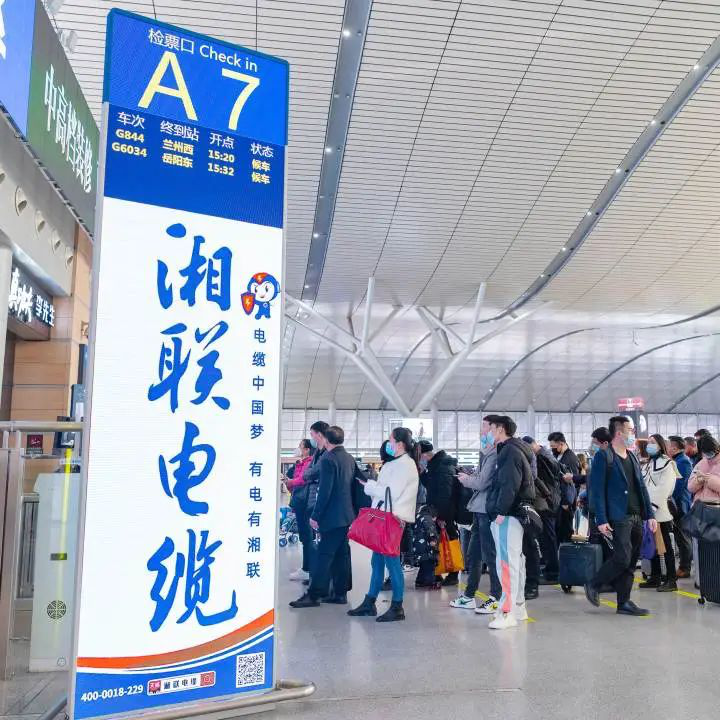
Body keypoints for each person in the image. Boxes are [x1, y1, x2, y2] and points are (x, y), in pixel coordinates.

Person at [585, 416, 657, 616]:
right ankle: (594, 583)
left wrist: (649, 514)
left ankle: (624, 602)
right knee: (622, 558)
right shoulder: (604, 456)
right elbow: (597, 491)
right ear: (619, 433)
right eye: (631, 430)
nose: (633, 434)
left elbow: (641, 487)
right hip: (619, 516)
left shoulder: (632, 456)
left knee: (631, 561)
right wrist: (601, 519)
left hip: (636, 516)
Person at [348, 427, 420, 622]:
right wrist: (373, 487)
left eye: (391, 440)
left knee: (392, 562)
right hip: (386, 518)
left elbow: (391, 492)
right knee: (377, 561)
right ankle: (369, 602)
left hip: (393, 519)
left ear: (400, 444)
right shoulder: (396, 463)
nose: (388, 443)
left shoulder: (405, 464)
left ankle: (397, 606)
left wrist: (370, 486)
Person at [290, 426, 356, 608]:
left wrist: (316, 515)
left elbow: (325, 490)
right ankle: (340, 593)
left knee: (323, 555)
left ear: (326, 440)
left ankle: (314, 595)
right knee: (342, 554)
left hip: (331, 515)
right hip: (346, 514)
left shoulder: (328, 459)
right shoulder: (349, 458)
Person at [486, 415, 535, 630]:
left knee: (506, 564)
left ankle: (507, 612)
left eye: (490, 429)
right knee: (516, 561)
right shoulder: (518, 450)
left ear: (500, 429)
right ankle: (518, 606)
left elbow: (509, 485)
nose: (487, 433)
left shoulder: (509, 452)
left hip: (508, 515)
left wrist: (500, 511)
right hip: (515, 514)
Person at [452, 416, 502, 614]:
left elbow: (482, 483)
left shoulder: (494, 455)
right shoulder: (486, 453)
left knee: (490, 554)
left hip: (486, 510)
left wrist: (467, 479)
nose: (481, 432)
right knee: (473, 555)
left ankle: (496, 596)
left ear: (495, 430)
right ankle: (469, 595)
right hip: (478, 510)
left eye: (484, 428)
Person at [289, 421, 329, 583]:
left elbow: (306, 477)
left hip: (308, 501)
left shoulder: (323, 455)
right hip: (303, 500)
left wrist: (296, 480)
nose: (311, 437)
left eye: (312, 434)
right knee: (307, 537)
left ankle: (310, 570)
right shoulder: (318, 454)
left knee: (309, 537)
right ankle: (309, 569)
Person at [639, 434, 679, 592]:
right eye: (648, 442)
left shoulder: (668, 464)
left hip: (661, 512)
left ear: (660, 445)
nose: (649, 445)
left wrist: (652, 507)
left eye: (653, 442)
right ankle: (655, 577)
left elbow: (664, 488)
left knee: (666, 546)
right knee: (652, 545)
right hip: (648, 512)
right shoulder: (647, 464)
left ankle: (671, 580)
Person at [419, 440, 460, 587]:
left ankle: (454, 573)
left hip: (445, 512)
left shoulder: (443, 466)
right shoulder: (434, 465)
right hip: (437, 510)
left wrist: (441, 516)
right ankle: (438, 572)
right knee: (439, 541)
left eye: (420, 456)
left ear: (425, 455)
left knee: (450, 540)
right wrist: (422, 474)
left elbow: (445, 494)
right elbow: (432, 487)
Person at [523, 436, 562, 587]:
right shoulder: (547, 456)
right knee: (546, 538)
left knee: (548, 538)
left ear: (533, 445)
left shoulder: (541, 458)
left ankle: (553, 572)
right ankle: (550, 569)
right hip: (548, 501)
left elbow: (541, 480)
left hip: (545, 503)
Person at [287, 439, 315, 583]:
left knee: (306, 537)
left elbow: (302, 480)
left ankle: (307, 569)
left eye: (300, 446)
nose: (298, 449)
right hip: (299, 501)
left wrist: (291, 482)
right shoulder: (300, 463)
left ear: (307, 449)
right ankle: (307, 568)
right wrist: (289, 482)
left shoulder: (310, 463)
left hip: (304, 504)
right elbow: (295, 483)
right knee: (305, 537)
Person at [668, 435, 693, 578]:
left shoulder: (683, 461)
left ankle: (685, 568)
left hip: (680, 505)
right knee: (679, 537)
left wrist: (670, 500)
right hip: (676, 504)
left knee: (683, 538)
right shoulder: (677, 460)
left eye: (669, 445)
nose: (667, 448)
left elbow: (679, 485)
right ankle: (684, 566)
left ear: (675, 447)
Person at [688, 434, 720, 502]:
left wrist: (710, 480)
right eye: (704, 452)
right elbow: (690, 488)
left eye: (709, 451)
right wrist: (698, 481)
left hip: (716, 505)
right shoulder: (701, 463)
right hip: (699, 505)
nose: (707, 454)